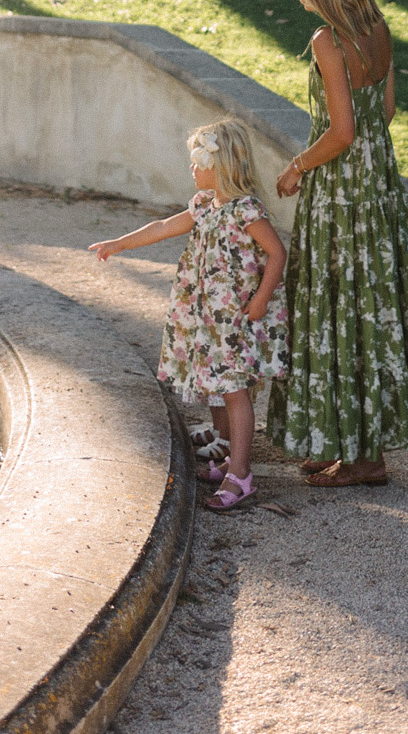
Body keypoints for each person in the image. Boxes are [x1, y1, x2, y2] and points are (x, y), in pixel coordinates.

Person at [268, 0, 408, 487]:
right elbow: (386, 109)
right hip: (379, 189)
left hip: (341, 195)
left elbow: (342, 131)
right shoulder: (377, 29)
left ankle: (358, 458)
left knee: (337, 312)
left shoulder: (328, 40)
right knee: (369, 312)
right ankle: (356, 447)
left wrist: (298, 166)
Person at [90, 119, 287, 513]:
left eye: (197, 160)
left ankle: (242, 476)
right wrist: (120, 243)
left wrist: (262, 298)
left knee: (234, 391)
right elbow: (164, 226)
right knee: (224, 387)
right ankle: (233, 461)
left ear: (221, 163)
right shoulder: (203, 206)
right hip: (210, 318)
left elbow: (278, 252)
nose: (192, 169)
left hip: (235, 318)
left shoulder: (245, 210)